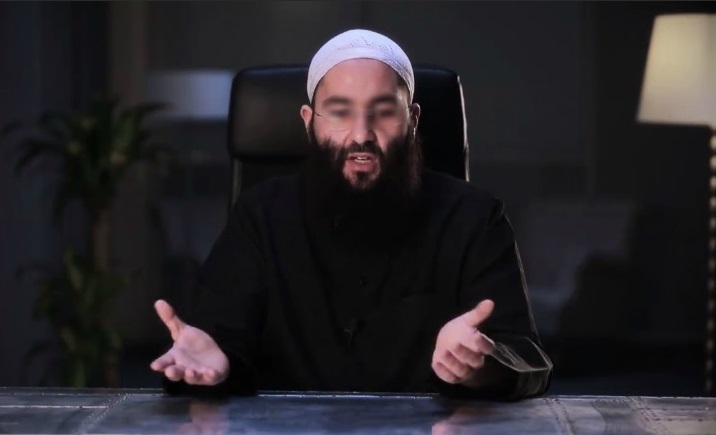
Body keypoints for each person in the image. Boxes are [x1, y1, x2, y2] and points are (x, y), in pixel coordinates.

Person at [150, 29, 552, 400]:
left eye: (383, 111)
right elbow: (216, 343)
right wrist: (212, 363)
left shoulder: (474, 217)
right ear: (309, 122)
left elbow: (527, 359)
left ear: (413, 120)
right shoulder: (260, 216)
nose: (361, 134)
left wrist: (483, 364)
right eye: (340, 112)